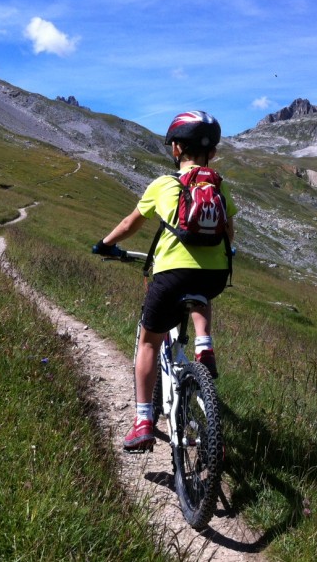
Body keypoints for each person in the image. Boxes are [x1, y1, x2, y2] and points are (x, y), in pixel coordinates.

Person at [93, 111, 237, 451]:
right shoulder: (219, 187)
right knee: (201, 291)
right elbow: (229, 234)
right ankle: (204, 344)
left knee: (148, 342)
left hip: (171, 275)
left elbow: (131, 223)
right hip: (215, 275)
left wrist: (106, 244)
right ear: (212, 153)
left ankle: (143, 421)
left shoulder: (164, 184)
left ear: (176, 149)